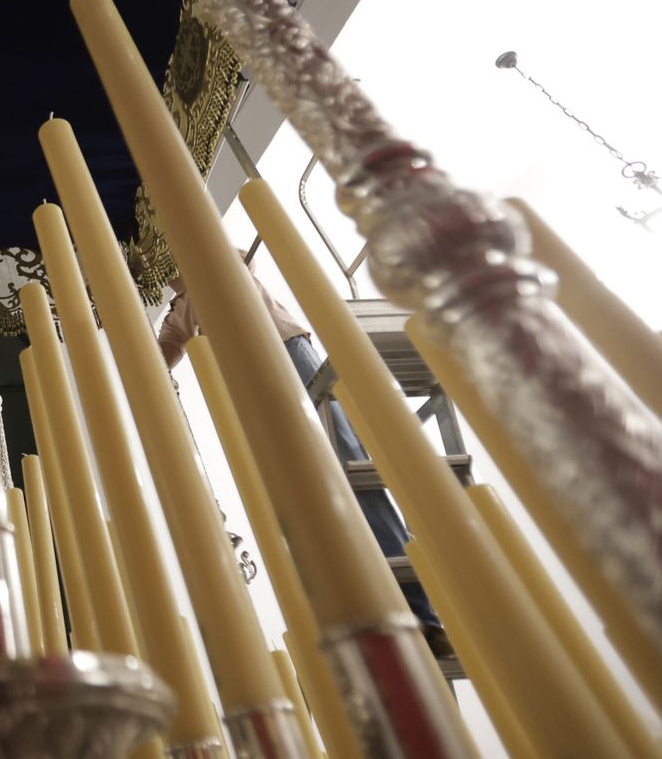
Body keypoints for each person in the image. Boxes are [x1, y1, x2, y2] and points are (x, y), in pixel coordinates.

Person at [156, 252, 455, 660]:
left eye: (168, 260)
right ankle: (371, 619)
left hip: (284, 348)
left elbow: (235, 258)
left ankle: (423, 613)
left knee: (347, 460)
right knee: (303, 492)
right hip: (245, 377)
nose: (169, 272)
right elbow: (163, 352)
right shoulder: (181, 311)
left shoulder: (219, 261)